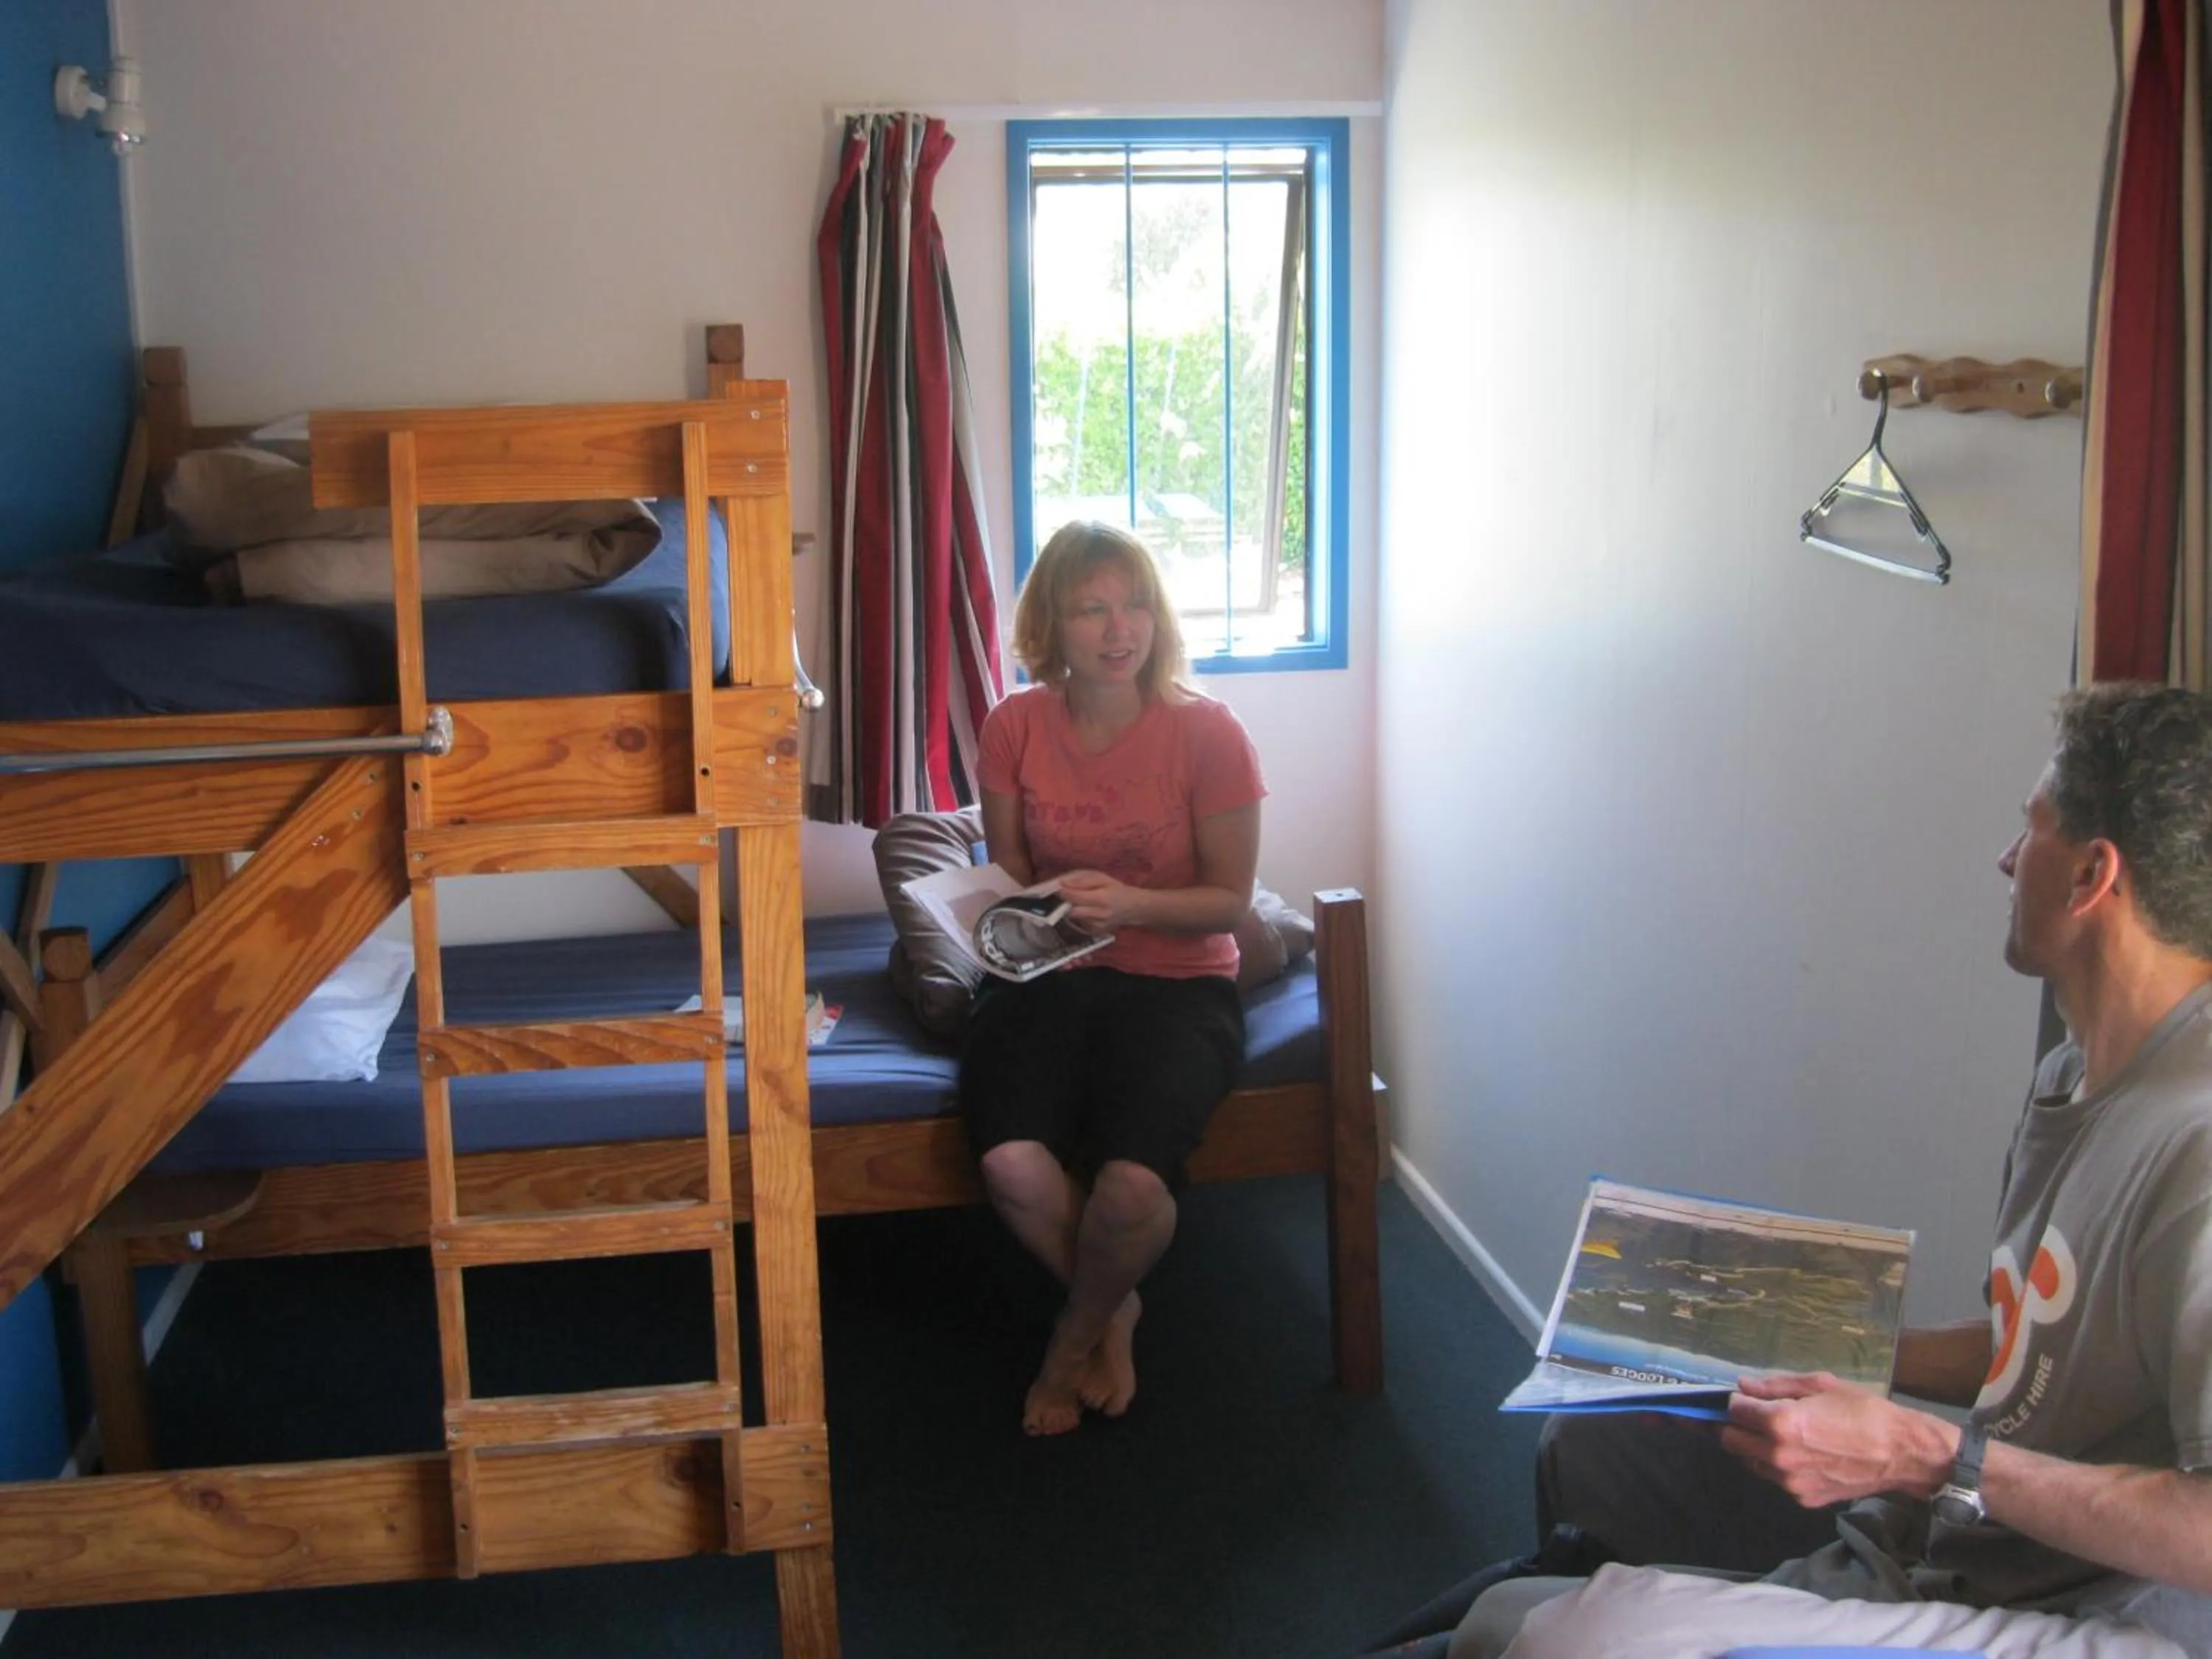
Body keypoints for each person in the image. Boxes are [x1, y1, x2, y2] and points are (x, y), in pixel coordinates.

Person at [1445, 684, 2212, 1658]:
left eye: (2031, 831)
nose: (2007, 859)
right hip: (1966, 1536)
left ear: (2090, 877)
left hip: (2091, 1614)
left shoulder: (2198, 1142)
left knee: (1556, 1640)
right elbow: (2046, 1352)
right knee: (1584, 1464)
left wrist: (1929, 1451)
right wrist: (1781, 1331)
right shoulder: (2079, 1070)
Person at [961, 520, 1265, 1437]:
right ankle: (1116, 1302)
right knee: (1012, 1164)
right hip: (1048, 974)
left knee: (1134, 1188)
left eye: (1133, 603)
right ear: (1053, 622)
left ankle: (1072, 1339)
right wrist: (1030, 907)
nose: (1117, 626)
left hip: (1176, 978)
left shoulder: (1210, 733)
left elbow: (1229, 902)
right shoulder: (1015, 723)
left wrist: (1128, 905)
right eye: (1091, 607)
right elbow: (1010, 876)